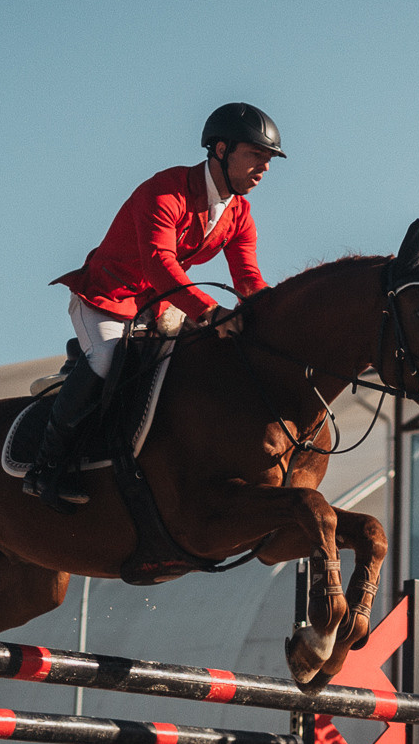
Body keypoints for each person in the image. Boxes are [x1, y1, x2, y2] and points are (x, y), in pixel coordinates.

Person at [25, 103, 282, 509]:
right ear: (219, 149)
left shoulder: (240, 215)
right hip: (108, 296)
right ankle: (47, 465)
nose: (264, 169)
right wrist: (210, 312)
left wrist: (275, 313)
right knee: (108, 359)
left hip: (158, 304)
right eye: (255, 156)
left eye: (268, 161)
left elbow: (248, 278)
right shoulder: (165, 191)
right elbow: (160, 264)